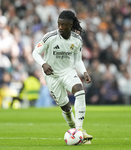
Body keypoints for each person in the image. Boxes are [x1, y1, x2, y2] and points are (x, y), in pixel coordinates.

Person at [32, 10, 93, 144]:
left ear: (71, 25)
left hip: (67, 72)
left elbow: (78, 60)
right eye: (59, 24)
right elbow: (35, 53)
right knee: (65, 107)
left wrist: (84, 72)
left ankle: (79, 129)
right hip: (52, 75)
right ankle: (75, 131)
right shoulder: (50, 37)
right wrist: (43, 64)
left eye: (64, 25)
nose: (60, 27)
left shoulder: (77, 40)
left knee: (79, 89)